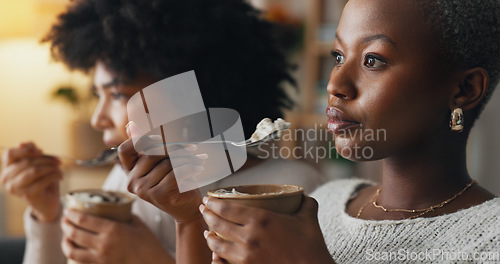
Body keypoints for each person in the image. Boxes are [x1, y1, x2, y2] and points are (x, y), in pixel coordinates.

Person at [164, 0, 499, 263]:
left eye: (373, 60)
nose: (335, 84)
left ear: (464, 89)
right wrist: (186, 218)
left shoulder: (490, 240)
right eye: (338, 56)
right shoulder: (320, 203)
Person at [0, 0, 325, 263]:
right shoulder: (130, 182)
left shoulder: (290, 191)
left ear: (191, 93)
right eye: (97, 95)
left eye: (116, 94)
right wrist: (46, 213)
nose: (98, 119)